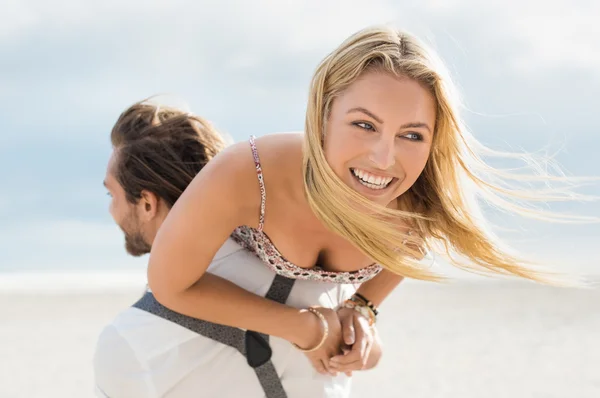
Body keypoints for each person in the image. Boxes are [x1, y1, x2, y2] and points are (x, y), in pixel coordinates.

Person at [145, 24, 596, 397]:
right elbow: (170, 285)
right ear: (323, 113)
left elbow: (385, 276)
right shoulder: (249, 173)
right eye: (364, 125)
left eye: (412, 135)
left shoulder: (423, 205)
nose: (385, 158)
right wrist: (304, 329)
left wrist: (362, 311)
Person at [94, 100, 381, 398]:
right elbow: (369, 354)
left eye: (110, 193)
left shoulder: (131, 339)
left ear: (147, 203)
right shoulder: (317, 274)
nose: (111, 209)